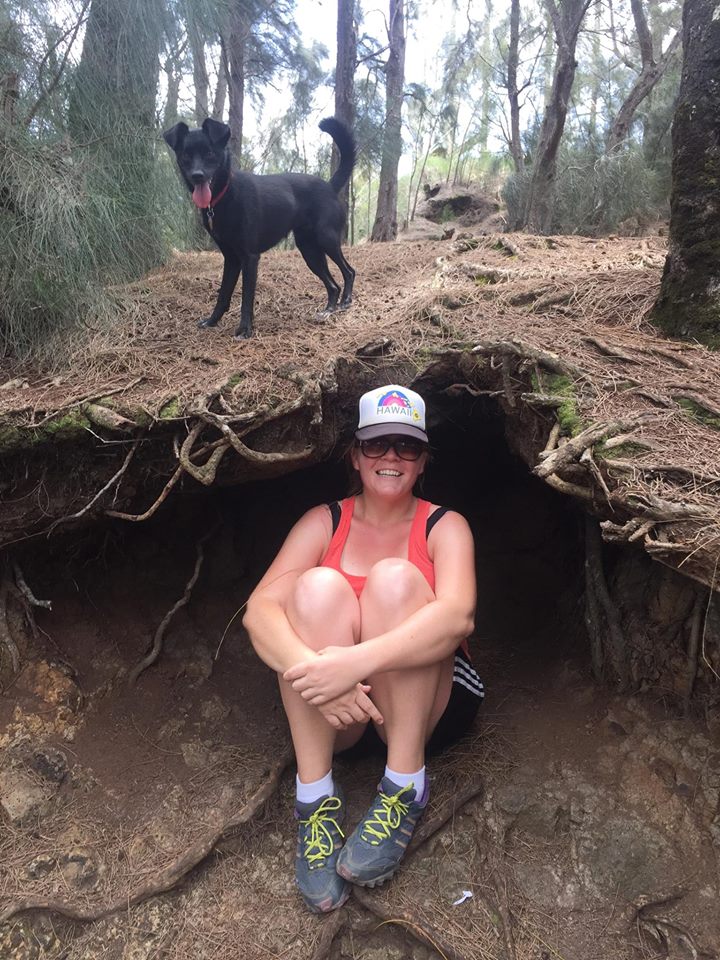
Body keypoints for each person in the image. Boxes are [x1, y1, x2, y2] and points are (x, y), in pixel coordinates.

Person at [243, 384, 483, 913]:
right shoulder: (323, 521)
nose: (391, 457)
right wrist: (317, 673)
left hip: (427, 712)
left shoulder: (445, 526)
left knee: (395, 581)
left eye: (407, 447)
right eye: (378, 444)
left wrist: (351, 663)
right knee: (313, 588)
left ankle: (403, 788)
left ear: (423, 461)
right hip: (341, 715)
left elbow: (457, 617)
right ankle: (315, 801)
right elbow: (259, 613)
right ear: (356, 455)